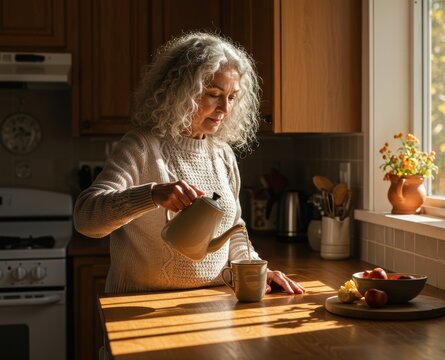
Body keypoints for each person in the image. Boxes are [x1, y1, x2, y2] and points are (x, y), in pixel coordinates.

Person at [73, 32, 305, 296]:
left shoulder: (222, 154)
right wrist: (151, 194)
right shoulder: (142, 146)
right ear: (181, 92)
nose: (225, 109)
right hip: (142, 305)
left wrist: (254, 269)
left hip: (212, 304)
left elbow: (234, 229)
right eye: (214, 94)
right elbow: (85, 219)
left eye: (231, 97)